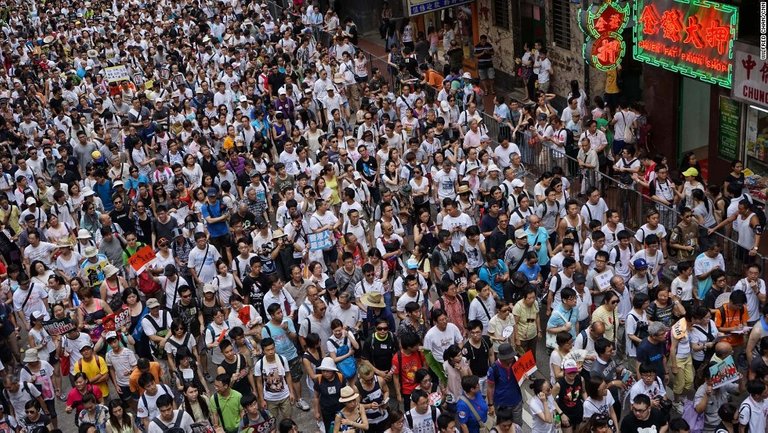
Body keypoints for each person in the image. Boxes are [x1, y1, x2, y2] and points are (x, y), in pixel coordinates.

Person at [486, 343, 524, 426]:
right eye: (509, 357)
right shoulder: (494, 369)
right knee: (503, 427)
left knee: (517, 426)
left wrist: (524, 376)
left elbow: (521, 377)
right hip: (501, 404)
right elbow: (490, 387)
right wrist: (490, 405)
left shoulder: (516, 361)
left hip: (516, 401)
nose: (511, 358)